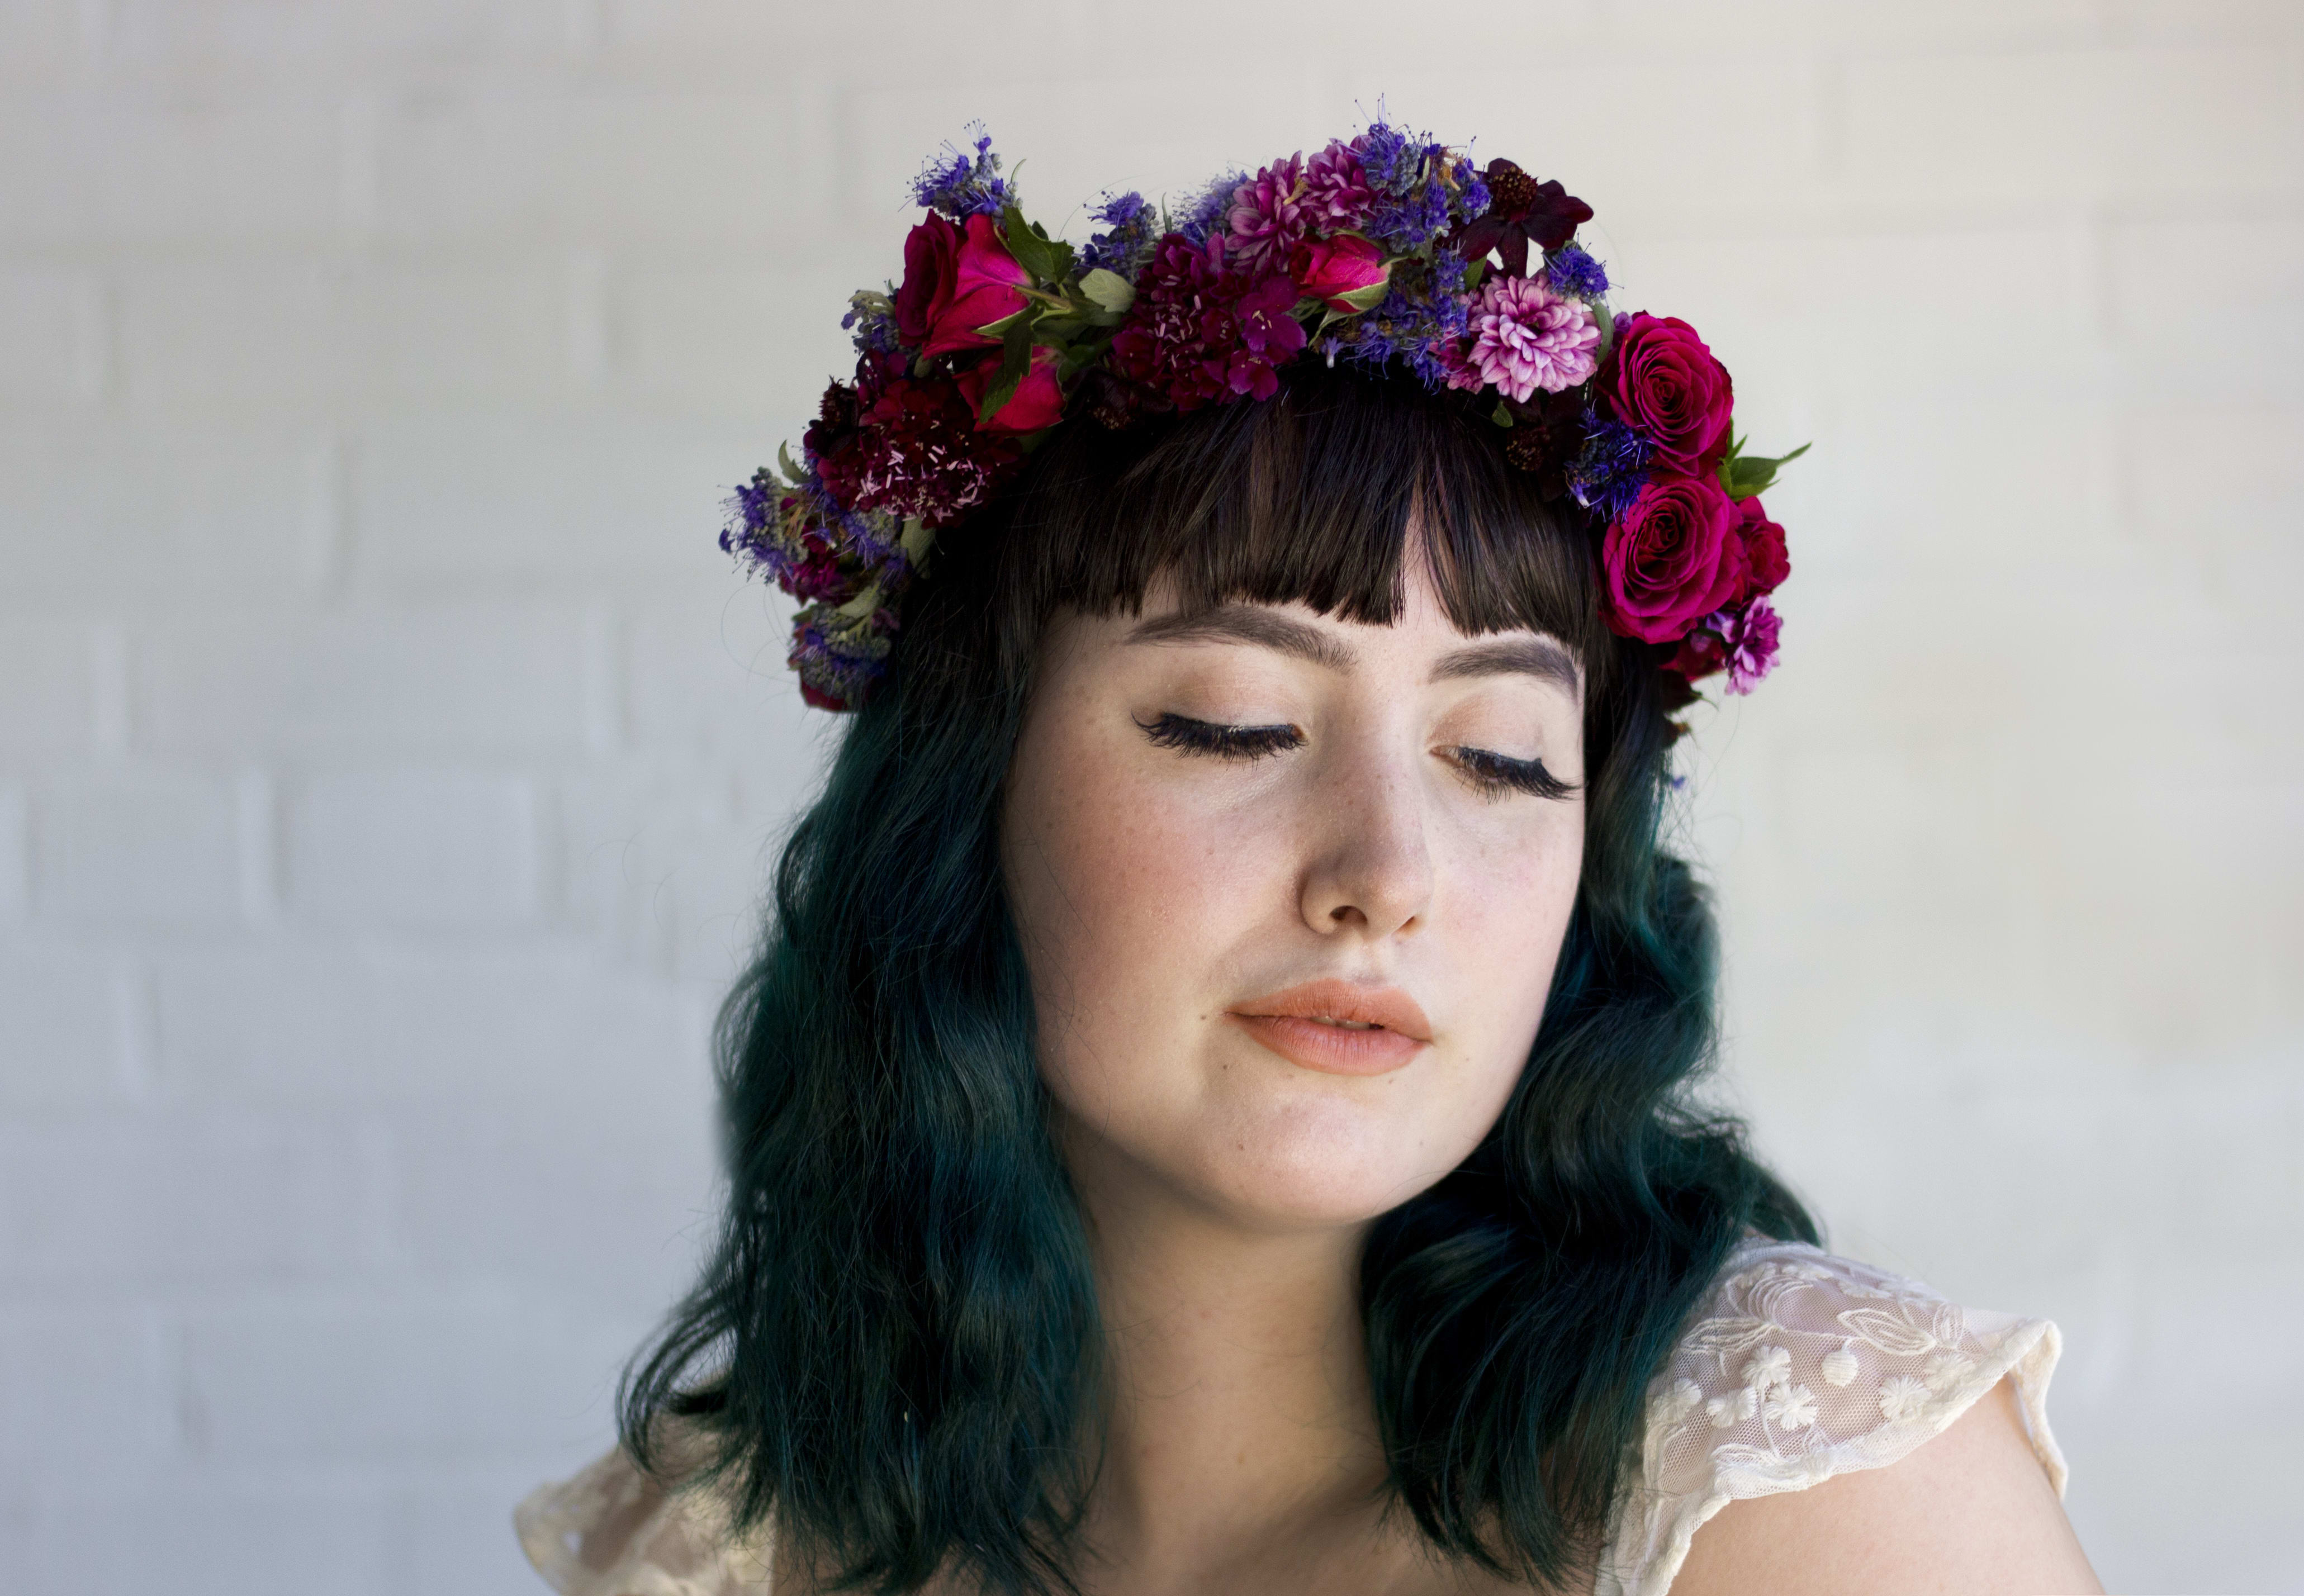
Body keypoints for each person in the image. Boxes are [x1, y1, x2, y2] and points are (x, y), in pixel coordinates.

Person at [515, 123, 2102, 1595]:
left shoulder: (1804, 1496)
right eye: (1229, 724)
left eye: (1499, 760)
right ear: (966, 788)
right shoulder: (733, 1534)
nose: (1385, 872)